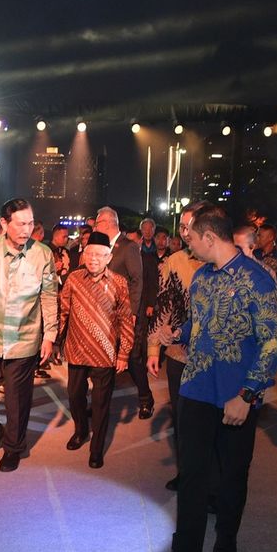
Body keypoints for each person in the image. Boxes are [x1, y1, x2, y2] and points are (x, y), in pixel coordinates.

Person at [144, 203, 277, 552]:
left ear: (210, 237)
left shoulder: (258, 280)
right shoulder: (202, 277)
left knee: (233, 473)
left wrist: (248, 393)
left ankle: (227, 536)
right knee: (192, 476)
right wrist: (181, 333)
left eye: (192, 239)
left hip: (237, 395)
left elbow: (273, 343)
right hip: (196, 387)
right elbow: (201, 320)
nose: (188, 248)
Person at [0, 198, 58, 472]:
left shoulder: (43, 254)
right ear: (4, 224)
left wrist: (50, 335)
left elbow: (49, 297)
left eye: (30, 223)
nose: (26, 229)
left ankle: (14, 445)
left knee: (17, 396)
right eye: (20, 224)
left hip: (25, 336)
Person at [56, 232, 135, 468]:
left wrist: (124, 353)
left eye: (99, 255)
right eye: (89, 253)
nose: (93, 259)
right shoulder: (74, 279)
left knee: (101, 403)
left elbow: (126, 320)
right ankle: (81, 430)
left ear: (109, 257)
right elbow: (63, 313)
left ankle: (96, 448)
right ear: (83, 255)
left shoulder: (119, 282)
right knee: (74, 395)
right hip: (77, 348)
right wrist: (56, 342)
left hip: (105, 352)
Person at [147, 202, 208, 491]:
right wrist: (153, 349)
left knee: (210, 423)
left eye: (190, 226)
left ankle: (210, 480)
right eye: (182, 227)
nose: (184, 233)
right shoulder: (174, 262)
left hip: (215, 360)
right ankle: (187, 473)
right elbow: (163, 308)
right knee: (182, 419)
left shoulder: (226, 262)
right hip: (179, 355)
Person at [94, 206, 154, 418]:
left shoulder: (128, 247)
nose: (95, 226)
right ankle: (100, 403)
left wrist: (134, 311)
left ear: (108, 223)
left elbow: (137, 280)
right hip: (104, 313)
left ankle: (145, 398)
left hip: (127, 313)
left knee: (134, 359)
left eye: (97, 223)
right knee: (104, 358)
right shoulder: (100, 246)